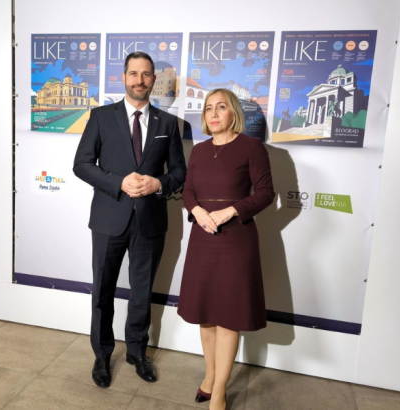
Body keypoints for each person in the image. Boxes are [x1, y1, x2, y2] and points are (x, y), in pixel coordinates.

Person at [73, 51, 186, 388]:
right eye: (133, 73)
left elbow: (179, 171)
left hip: (150, 221)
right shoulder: (100, 116)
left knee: (142, 292)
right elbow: (82, 164)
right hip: (109, 218)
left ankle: (137, 351)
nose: (139, 80)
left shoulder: (168, 123)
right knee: (102, 291)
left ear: (154, 80)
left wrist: (158, 184)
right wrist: (118, 182)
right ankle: (102, 355)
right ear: (123, 78)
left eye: (146, 74)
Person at [177, 89, 274, 410]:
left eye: (221, 107)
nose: (214, 113)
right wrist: (198, 211)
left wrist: (230, 211)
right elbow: (188, 191)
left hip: (236, 240)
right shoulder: (199, 150)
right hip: (202, 236)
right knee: (205, 315)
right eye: (208, 108)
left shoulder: (252, 147)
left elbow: (265, 193)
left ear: (234, 113)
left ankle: (219, 391)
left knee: (227, 317)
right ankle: (209, 376)